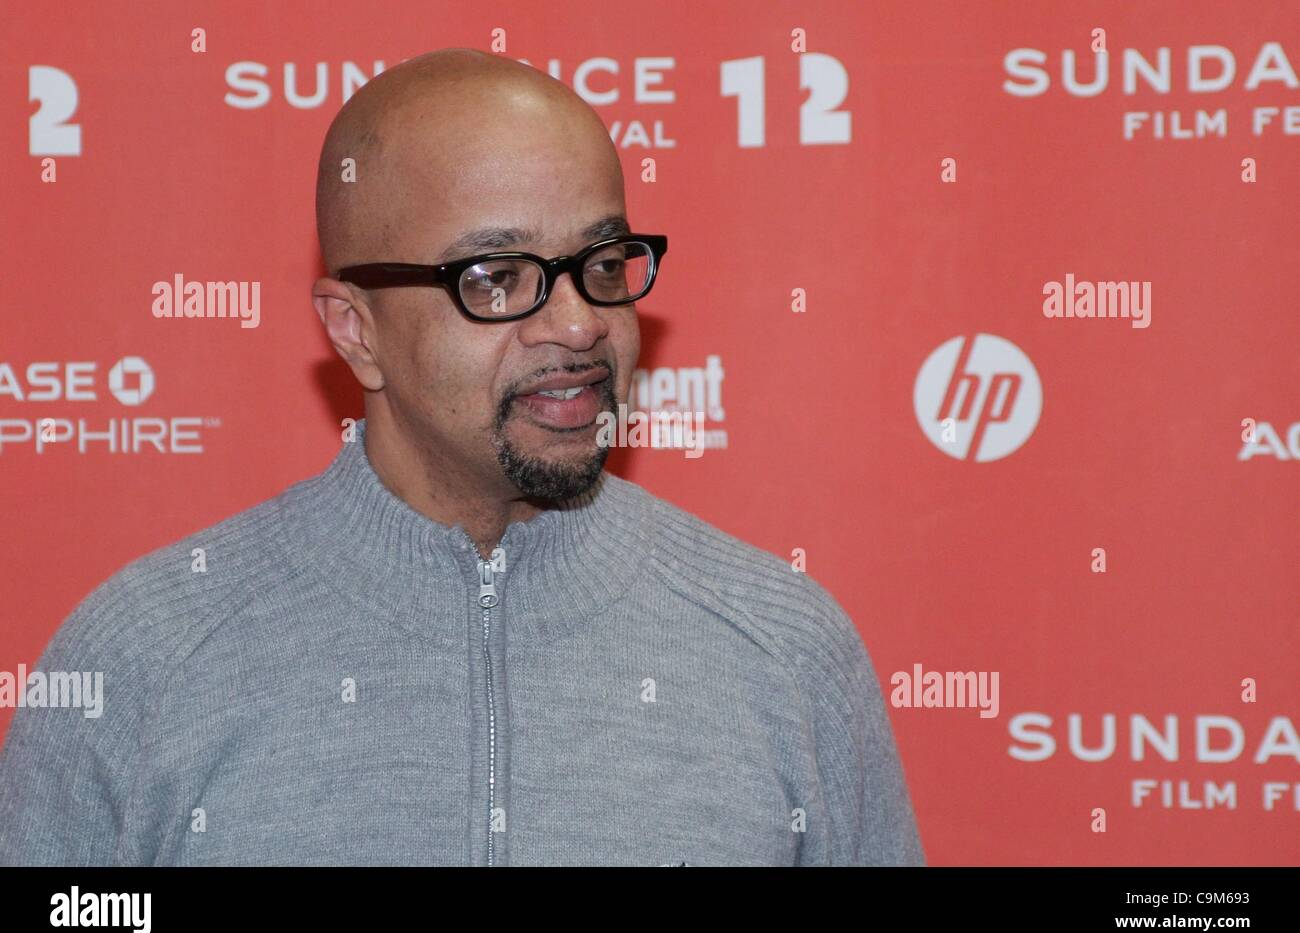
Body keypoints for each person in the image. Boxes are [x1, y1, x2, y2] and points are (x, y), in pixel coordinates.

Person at [0, 48, 924, 866]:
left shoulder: (785, 653)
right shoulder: (145, 659)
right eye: (496, 279)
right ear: (355, 331)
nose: (577, 325)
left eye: (603, 265)